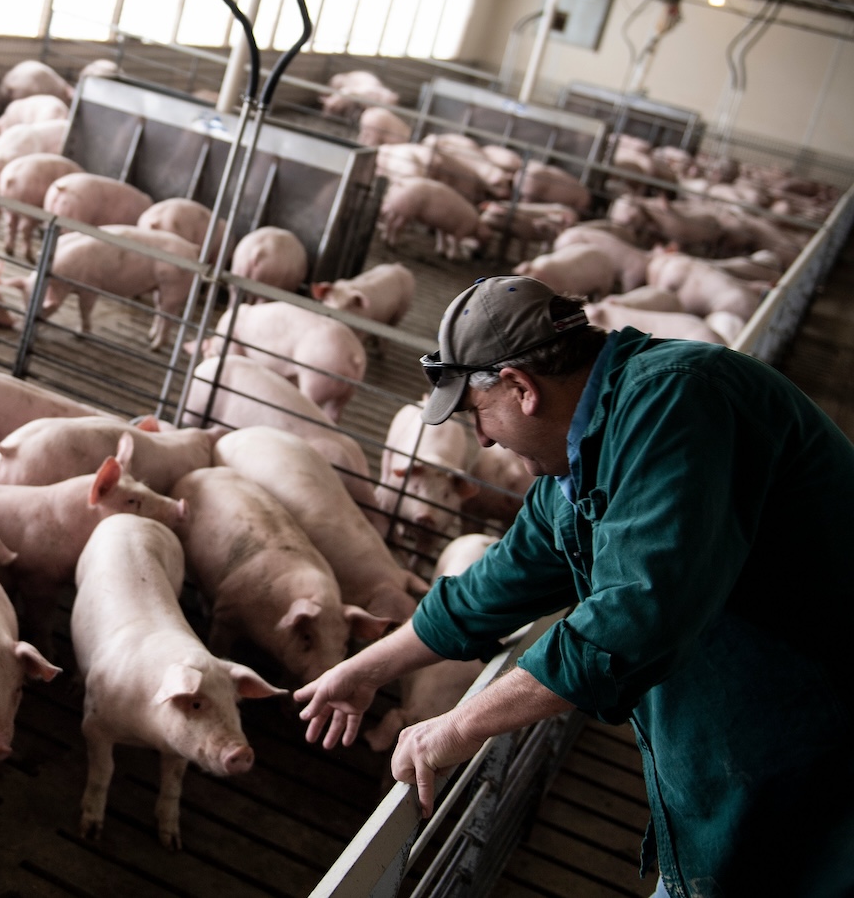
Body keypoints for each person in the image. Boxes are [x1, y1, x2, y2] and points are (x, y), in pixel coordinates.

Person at [295, 275, 854, 898]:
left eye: (477, 413)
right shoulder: (582, 459)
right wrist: (367, 668)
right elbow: (491, 589)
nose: (480, 438)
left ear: (520, 388)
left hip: (815, 749)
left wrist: (457, 727)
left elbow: (632, 618)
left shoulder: (679, 404)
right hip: (744, 757)